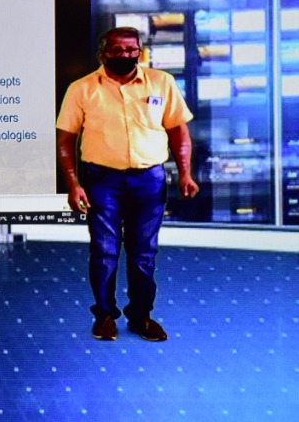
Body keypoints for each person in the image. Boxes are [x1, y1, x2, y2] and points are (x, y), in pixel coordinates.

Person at [55, 26, 198, 342]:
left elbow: (178, 132)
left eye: (131, 49)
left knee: (144, 252)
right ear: (102, 54)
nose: (125, 55)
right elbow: (65, 141)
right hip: (101, 180)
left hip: (149, 179)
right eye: (117, 50)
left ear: (140, 51)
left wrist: (186, 174)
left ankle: (141, 316)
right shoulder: (82, 89)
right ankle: (105, 315)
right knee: (104, 251)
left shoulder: (162, 83)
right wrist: (73, 184)